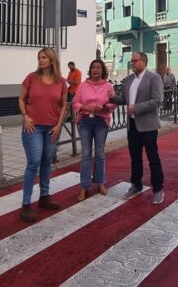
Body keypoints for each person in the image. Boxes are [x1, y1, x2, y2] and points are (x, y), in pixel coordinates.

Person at [18, 47, 68, 222]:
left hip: (52, 128)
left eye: (44, 57)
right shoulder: (31, 78)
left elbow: (64, 104)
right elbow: (21, 99)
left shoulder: (61, 82)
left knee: (47, 162)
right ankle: (26, 204)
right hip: (33, 128)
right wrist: (25, 116)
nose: (41, 60)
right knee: (33, 163)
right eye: (39, 57)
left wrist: (59, 124)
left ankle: (44, 197)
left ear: (52, 60)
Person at [108, 52, 165, 204]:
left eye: (135, 61)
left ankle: (158, 189)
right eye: (131, 61)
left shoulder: (154, 78)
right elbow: (125, 100)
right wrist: (112, 97)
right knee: (135, 158)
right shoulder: (128, 80)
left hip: (148, 125)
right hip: (132, 125)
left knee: (153, 158)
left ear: (144, 62)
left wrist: (136, 108)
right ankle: (136, 185)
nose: (132, 63)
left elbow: (157, 100)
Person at [72, 59, 116, 202]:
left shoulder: (109, 86)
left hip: (101, 121)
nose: (95, 70)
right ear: (90, 70)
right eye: (93, 67)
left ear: (103, 70)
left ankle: (101, 182)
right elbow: (75, 103)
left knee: (100, 152)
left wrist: (103, 108)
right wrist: (87, 108)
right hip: (85, 121)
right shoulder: (82, 86)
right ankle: (84, 186)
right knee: (85, 154)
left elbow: (113, 104)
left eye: (98, 67)